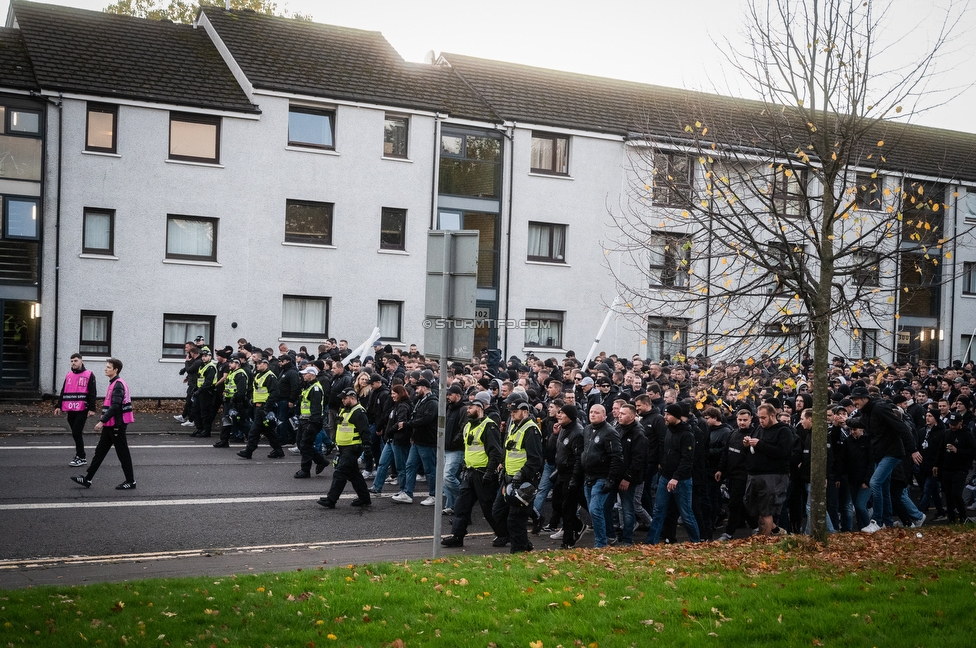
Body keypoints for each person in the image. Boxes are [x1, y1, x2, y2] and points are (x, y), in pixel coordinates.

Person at [441, 391, 504, 547]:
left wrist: (489, 473)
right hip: (469, 472)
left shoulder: (489, 426)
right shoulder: (468, 425)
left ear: (480, 408)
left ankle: (504, 534)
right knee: (461, 506)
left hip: (483, 474)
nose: (467, 410)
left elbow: (495, 453)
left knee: (488, 508)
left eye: (471, 407)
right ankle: (457, 536)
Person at [70, 358, 136, 490]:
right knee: (99, 452)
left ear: (115, 370)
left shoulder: (118, 384)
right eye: (106, 367)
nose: (105, 369)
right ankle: (87, 479)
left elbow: (115, 406)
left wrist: (101, 421)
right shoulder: (113, 383)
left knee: (123, 453)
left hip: (117, 424)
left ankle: (131, 481)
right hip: (110, 425)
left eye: (108, 367)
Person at [490, 393, 544, 552]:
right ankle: (524, 544)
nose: (512, 414)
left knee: (516, 518)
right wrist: (504, 467)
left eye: (515, 412)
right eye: (511, 412)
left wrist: (522, 474)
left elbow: (535, 459)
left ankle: (519, 550)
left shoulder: (530, 429)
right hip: (508, 479)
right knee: (498, 511)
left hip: (523, 481)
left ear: (525, 412)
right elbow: (509, 450)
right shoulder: (514, 425)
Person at [645, 403, 700, 545]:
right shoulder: (668, 430)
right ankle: (651, 542)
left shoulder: (687, 434)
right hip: (665, 476)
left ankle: (696, 542)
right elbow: (664, 448)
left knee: (686, 513)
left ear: (676, 416)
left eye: (668, 414)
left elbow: (687, 459)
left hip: (681, 480)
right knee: (658, 511)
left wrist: (676, 477)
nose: (665, 417)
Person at [742, 403, 794, 536]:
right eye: (759, 417)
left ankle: (763, 542)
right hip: (754, 473)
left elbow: (783, 453)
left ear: (772, 415)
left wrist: (760, 444)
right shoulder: (759, 428)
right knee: (753, 507)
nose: (761, 420)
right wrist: (747, 444)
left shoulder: (783, 431)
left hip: (773, 475)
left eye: (763, 417)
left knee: (766, 510)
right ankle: (776, 531)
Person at [318, 389, 372, 508]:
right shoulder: (345, 410)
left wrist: (367, 447)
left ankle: (331, 500)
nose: (342, 400)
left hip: (352, 447)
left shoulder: (359, 412)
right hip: (344, 447)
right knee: (354, 475)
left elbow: (365, 431)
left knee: (340, 473)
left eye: (344, 398)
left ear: (352, 398)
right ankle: (365, 499)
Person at [581, 403, 623, 548]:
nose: (592, 414)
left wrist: (611, 478)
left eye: (596, 412)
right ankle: (610, 536)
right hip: (588, 476)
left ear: (604, 415)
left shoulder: (610, 432)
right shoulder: (587, 429)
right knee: (596, 510)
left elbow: (617, 457)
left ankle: (600, 543)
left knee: (595, 509)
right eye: (591, 412)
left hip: (602, 476)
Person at [392, 379, 438, 505]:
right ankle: (407, 493)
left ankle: (434, 495)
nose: (416, 391)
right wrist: (412, 434)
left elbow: (425, 420)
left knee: (429, 470)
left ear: (424, 387)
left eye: (417, 388)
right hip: (417, 441)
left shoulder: (432, 403)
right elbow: (416, 417)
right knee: (410, 466)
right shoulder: (420, 401)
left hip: (427, 442)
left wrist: (406, 424)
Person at [55, 353, 98, 467]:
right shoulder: (69, 375)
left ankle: (81, 456)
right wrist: (58, 406)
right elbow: (63, 391)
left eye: (75, 361)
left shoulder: (89, 375)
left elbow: (92, 392)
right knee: (75, 433)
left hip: (82, 408)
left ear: (81, 361)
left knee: (76, 432)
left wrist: (92, 408)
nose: (73, 363)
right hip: (70, 408)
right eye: (72, 361)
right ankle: (80, 455)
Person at [238, 356, 284, 459]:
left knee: (254, 431)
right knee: (268, 431)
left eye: (260, 363)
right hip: (257, 406)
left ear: (266, 364)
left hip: (263, 408)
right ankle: (278, 450)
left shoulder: (270, 376)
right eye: (257, 364)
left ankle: (249, 451)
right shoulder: (258, 375)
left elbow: (274, 394)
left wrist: (266, 408)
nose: (258, 365)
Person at [294, 366, 328, 478]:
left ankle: (305, 470)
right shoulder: (308, 386)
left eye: (305, 374)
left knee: (305, 444)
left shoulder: (315, 389)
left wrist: (312, 424)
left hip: (310, 421)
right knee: (301, 443)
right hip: (304, 419)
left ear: (312, 375)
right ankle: (321, 461)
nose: (303, 376)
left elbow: (316, 408)